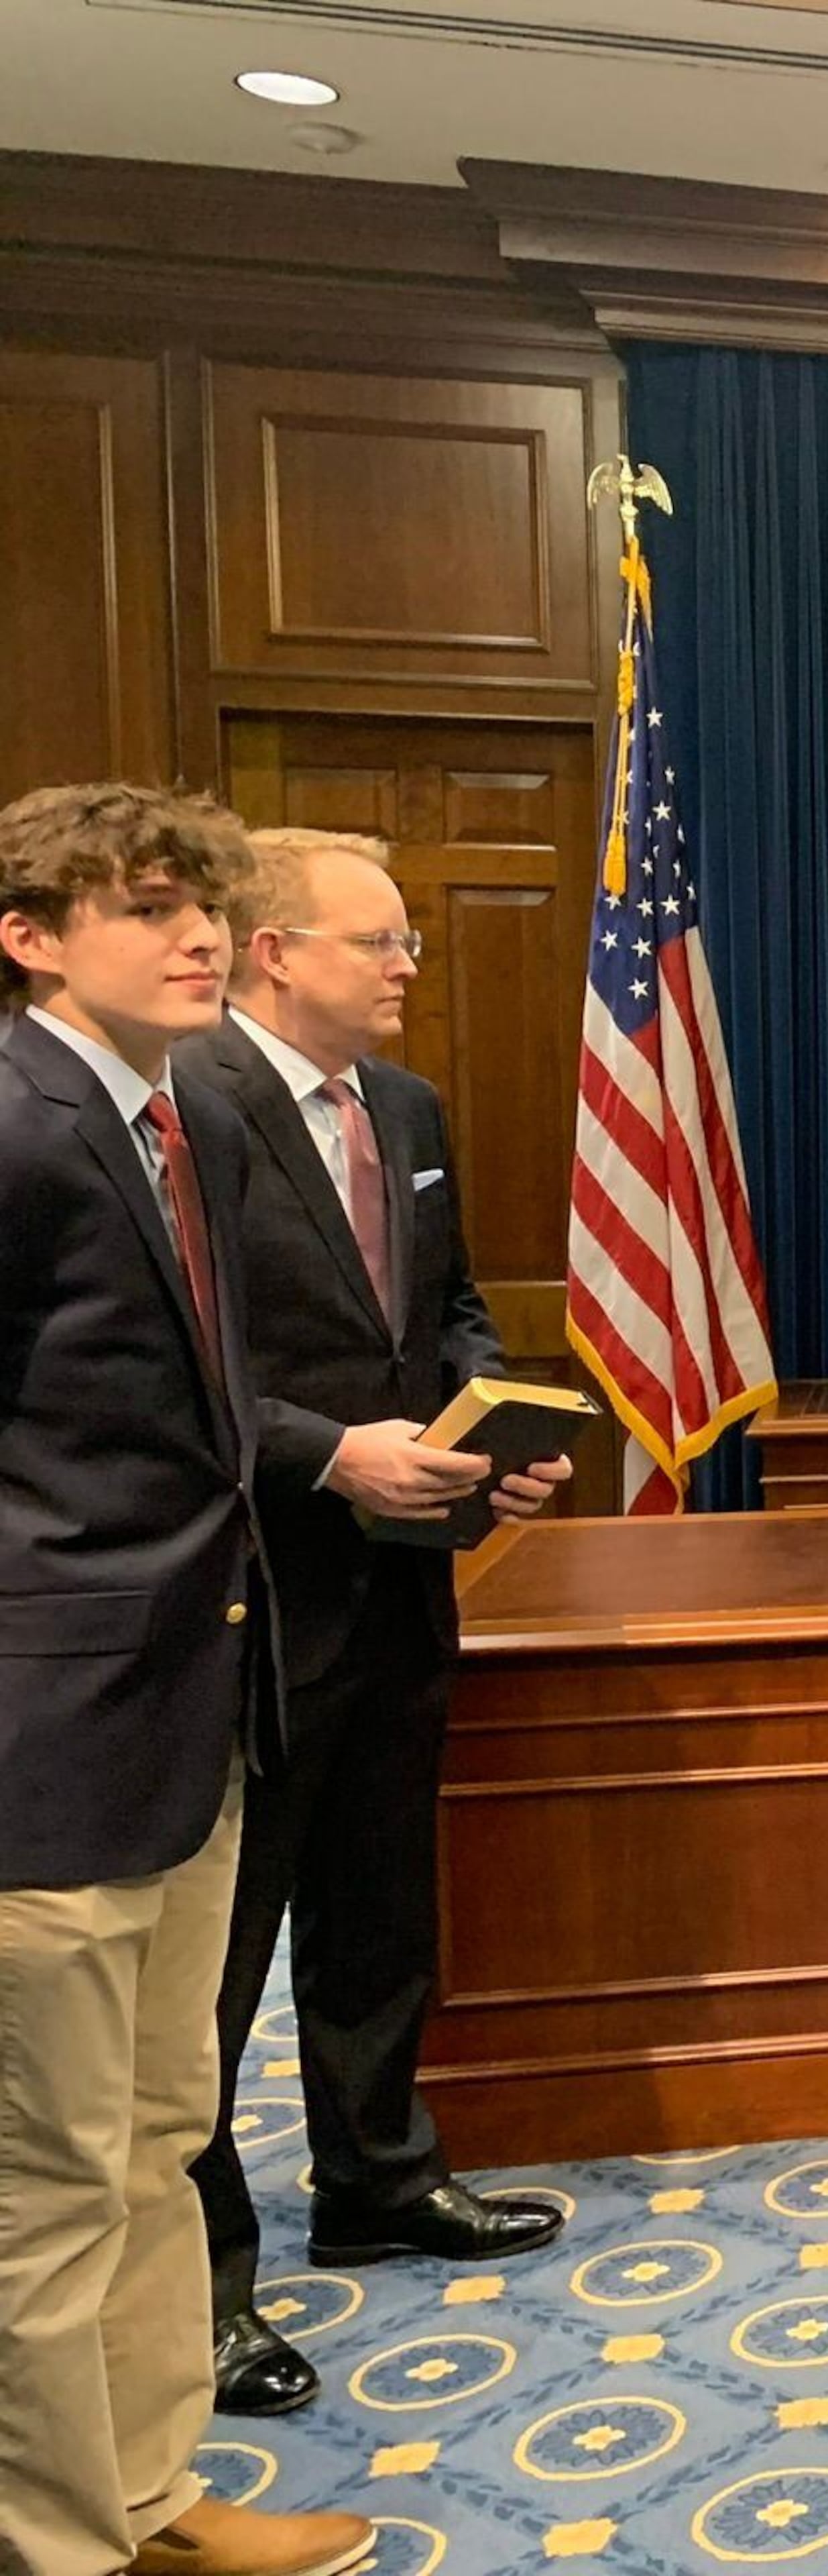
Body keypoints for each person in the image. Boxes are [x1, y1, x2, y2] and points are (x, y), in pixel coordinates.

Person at [0, 784, 373, 2576]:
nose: (198, 934)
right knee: (52, 2183)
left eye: (209, 905)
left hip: (200, 1712)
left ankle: (149, 2500)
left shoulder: (190, 1121)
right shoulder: (13, 1125)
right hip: (44, 1741)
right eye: (148, 905)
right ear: (33, 935)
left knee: (161, 2134)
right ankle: (57, 2545)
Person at [180, 827, 574, 2416]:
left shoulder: (403, 1109)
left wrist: (489, 1454)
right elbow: (175, 1365)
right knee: (214, 1960)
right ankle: (200, 2287)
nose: (408, 962)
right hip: (248, 1593)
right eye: (379, 940)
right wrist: (333, 1455)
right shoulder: (183, 1109)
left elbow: (452, 1308)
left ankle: (379, 2181)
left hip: (405, 1583)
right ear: (276, 951)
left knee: (377, 1900)